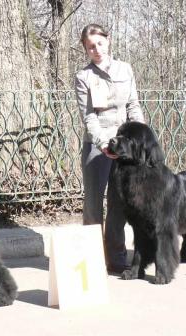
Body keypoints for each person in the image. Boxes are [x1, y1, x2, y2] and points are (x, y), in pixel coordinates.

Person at [74, 23, 146, 274]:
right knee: (94, 203)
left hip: (124, 145)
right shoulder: (84, 77)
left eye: (100, 43)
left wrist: (140, 133)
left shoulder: (125, 69)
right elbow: (89, 117)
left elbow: (133, 105)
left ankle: (116, 258)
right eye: (90, 46)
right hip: (97, 147)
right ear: (85, 48)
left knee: (119, 202)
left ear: (108, 41)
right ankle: (92, 259)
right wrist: (102, 143)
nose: (96, 49)